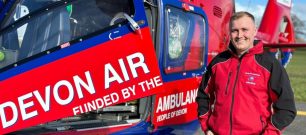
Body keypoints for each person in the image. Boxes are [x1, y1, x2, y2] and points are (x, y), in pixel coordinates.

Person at [196, 11, 296, 135]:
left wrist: (269, 133)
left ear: (254, 31)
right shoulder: (218, 62)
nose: (239, 35)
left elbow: (287, 108)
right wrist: (206, 126)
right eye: (235, 30)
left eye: (244, 30)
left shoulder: (270, 65)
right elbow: (203, 95)